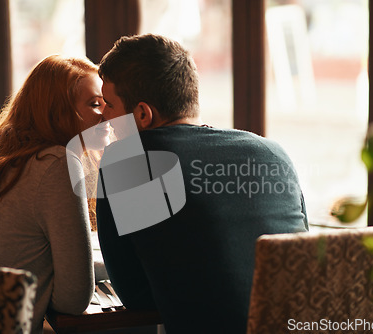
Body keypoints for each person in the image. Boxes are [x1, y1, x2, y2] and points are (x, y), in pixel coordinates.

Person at [96, 34, 309, 334]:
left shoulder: (128, 163)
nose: (104, 116)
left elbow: (135, 295)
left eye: (109, 104)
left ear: (142, 115)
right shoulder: (273, 152)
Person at [0, 55, 107, 334]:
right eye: (95, 104)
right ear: (58, 111)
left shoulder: (7, 157)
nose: (108, 114)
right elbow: (74, 299)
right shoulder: (56, 163)